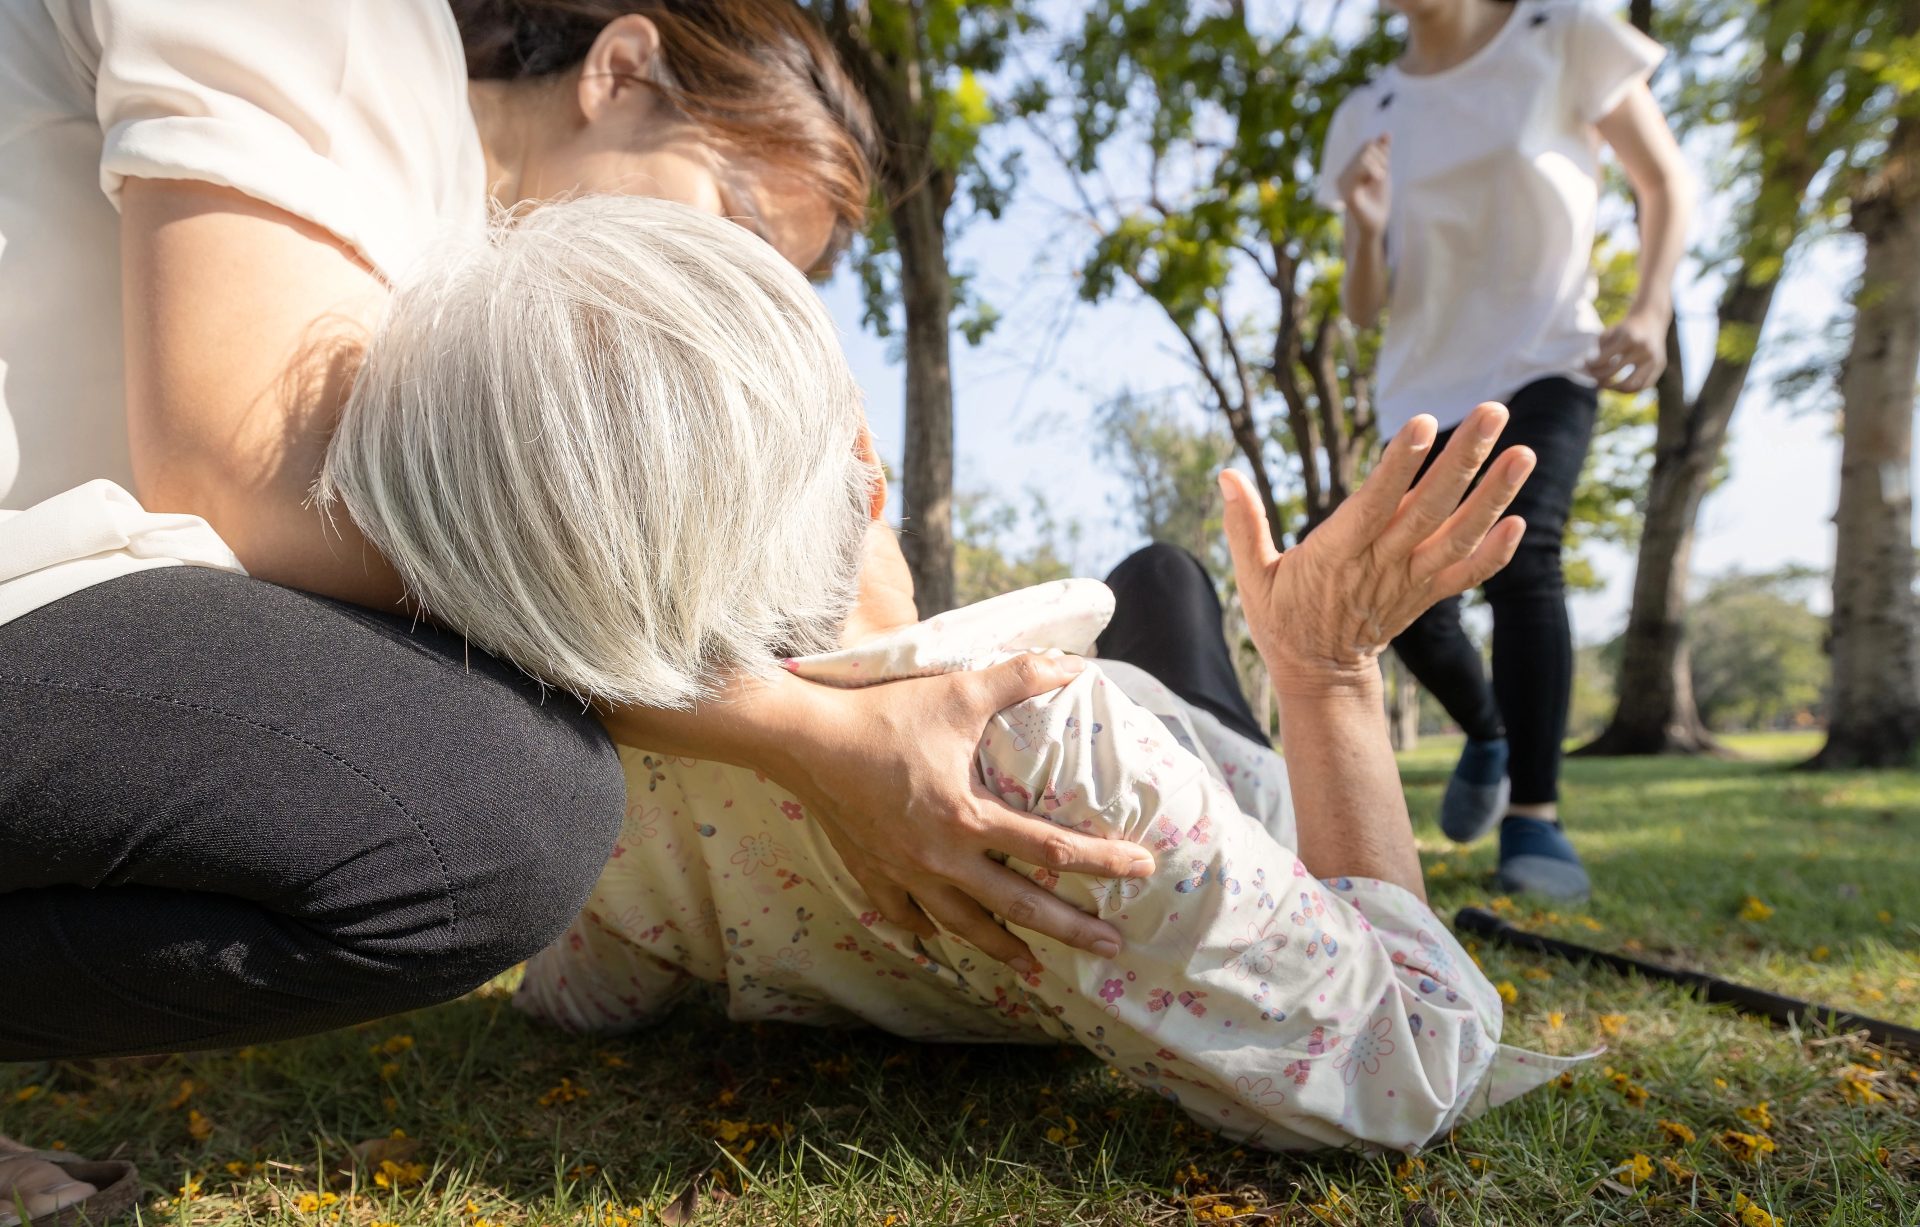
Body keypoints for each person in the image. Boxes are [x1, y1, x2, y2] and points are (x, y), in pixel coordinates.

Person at [0, 2, 1150, 1220]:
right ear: (622, 66)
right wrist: (799, 729)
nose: (721, 290)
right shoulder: (350, 30)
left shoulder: (438, 240)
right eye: (737, 224)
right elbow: (246, 481)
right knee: (488, 807)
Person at [295, 190, 1573, 1150]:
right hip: (1191, 754)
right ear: (866, 463)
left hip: (1115, 715)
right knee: (1166, 588)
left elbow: (586, 999)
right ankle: (1196, 629)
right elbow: (1420, 1064)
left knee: (1159, 595)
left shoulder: (581, 786)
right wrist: (1329, 672)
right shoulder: (1054, 758)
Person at [1315, 0, 1693, 899]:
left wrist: (1650, 306)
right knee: (1405, 600)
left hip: (1545, 358)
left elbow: (1664, 181)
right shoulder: (1366, 111)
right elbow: (1364, 307)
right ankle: (1486, 727)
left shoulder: (1562, 33)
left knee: (1528, 560)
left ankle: (1535, 820)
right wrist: (1366, 229)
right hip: (1418, 389)